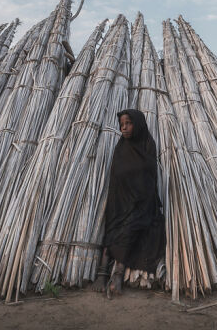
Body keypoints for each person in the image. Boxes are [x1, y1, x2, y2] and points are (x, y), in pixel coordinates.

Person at [92, 109, 165, 298]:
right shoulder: (121, 146)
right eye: (122, 124)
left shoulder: (148, 145)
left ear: (138, 124)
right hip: (119, 202)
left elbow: (149, 177)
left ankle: (117, 274)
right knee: (113, 227)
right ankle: (102, 272)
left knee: (130, 228)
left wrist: (138, 197)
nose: (123, 128)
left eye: (128, 124)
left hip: (141, 202)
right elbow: (115, 178)